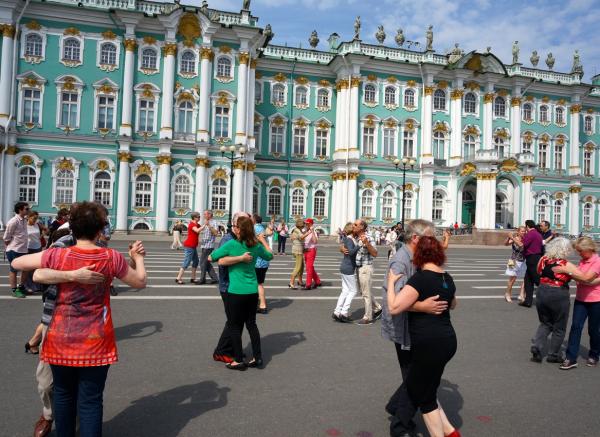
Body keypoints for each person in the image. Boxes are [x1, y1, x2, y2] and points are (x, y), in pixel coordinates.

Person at [11, 201, 147, 437]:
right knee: (91, 400)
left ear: (72, 227)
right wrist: (138, 257)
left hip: (60, 337)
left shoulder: (58, 254)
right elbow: (140, 281)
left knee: (63, 395)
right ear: (100, 229)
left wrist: (68, 275)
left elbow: (16, 263)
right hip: (96, 339)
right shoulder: (110, 257)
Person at [386, 235, 460, 437]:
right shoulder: (447, 277)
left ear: (419, 254)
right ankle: (451, 432)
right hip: (448, 340)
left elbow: (394, 307)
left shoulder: (419, 279)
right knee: (428, 387)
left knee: (425, 398)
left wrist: (391, 283)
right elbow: (453, 304)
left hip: (429, 344)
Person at [209, 216, 273, 370]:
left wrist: (235, 258)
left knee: (234, 325)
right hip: (252, 291)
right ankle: (257, 357)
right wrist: (263, 240)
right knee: (251, 324)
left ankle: (238, 359)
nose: (234, 228)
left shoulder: (232, 244)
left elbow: (211, 257)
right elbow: (269, 255)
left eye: (235, 226)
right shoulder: (255, 245)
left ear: (239, 230)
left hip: (236, 292)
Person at [553, 237, 600, 370]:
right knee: (575, 327)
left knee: (594, 330)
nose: (579, 254)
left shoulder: (597, 261)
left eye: (580, 251)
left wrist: (567, 271)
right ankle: (571, 358)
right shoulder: (583, 261)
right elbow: (582, 279)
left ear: (589, 249)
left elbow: (586, 278)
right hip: (581, 299)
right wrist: (581, 278)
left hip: (596, 300)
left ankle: (594, 354)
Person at [213, 212, 251, 364]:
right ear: (236, 225)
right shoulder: (228, 239)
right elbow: (220, 260)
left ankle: (233, 349)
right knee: (233, 321)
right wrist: (241, 259)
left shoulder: (242, 239)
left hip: (239, 286)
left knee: (238, 320)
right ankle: (221, 351)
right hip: (228, 286)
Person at [529, 237, 573, 363]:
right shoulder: (565, 264)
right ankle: (553, 355)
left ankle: (537, 347)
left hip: (542, 290)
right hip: (558, 292)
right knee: (559, 326)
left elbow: (538, 272)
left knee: (545, 322)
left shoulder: (543, 259)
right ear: (565, 250)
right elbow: (581, 276)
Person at [354, 219, 382, 325]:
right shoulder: (356, 238)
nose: (353, 226)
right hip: (358, 268)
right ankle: (378, 308)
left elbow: (375, 253)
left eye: (355, 224)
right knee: (364, 292)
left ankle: (368, 317)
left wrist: (367, 243)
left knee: (366, 293)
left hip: (365, 268)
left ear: (362, 227)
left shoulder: (369, 237)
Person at [333, 222, 360, 323]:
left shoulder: (349, 238)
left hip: (345, 266)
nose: (356, 228)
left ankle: (337, 312)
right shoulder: (349, 239)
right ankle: (344, 312)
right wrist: (359, 245)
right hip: (348, 267)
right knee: (353, 291)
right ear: (351, 229)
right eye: (354, 227)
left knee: (345, 290)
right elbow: (351, 252)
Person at [4, 201, 30, 298]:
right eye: (26, 209)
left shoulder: (24, 220)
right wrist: (10, 245)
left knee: (26, 269)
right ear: (20, 210)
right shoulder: (13, 221)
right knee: (14, 270)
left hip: (23, 249)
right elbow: (6, 237)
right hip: (14, 249)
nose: (28, 210)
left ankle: (21, 287)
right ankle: (15, 290)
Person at [520, 220, 543, 307]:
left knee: (537, 280)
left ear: (527, 226)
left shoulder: (531, 234)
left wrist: (512, 238)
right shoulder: (538, 234)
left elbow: (523, 245)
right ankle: (528, 301)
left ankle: (548, 298)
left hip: (532, 258)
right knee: (528, 280)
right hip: (536, 257)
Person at [175, 212, 202, 284]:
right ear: (194, 217)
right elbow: (197, 230)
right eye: (198, 217)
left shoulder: (197, 224)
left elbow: (201, 228)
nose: (200, 218)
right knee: (187, 262)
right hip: (189, 245)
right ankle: (178, 278)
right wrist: (205, 224)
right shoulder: (191, 224)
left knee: (196, 261)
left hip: (193, 246)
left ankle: (193, 278)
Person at [24, 210, 47, 294]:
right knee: (28, 268)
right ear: (28, 217)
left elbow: (46, 229)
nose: (35, 220)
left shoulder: (37, 224)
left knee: (36, 268)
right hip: (28, 248)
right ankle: (27, 286)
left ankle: (37, 286)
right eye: (34, 218)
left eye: (36, 218)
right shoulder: (24, 225)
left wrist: (41, 236)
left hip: (37, 247)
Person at [252, 214, 271, 313]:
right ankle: (261, 304)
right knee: (259, 283)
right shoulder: (262, 228)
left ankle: (261, 305)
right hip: (264, 261)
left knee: (256, 284)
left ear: (254, 220)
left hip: (257, 261)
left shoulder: (254, 228)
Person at [503, 226, 527, 303]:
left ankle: (521, 294)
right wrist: (508, 237)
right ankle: (508, 294)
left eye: (524, 231)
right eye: (522, 231)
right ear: (518, 232)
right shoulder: (515, 238)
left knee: (526, 279)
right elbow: (505, 244)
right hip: (512, 261)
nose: (524, 232)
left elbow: (521, 245)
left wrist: (512, 237)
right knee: (512, 279)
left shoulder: (525, 239)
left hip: (523, 261)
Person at [197, 210, 219, 284]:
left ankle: (202, 279)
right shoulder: (206, 222)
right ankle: (215, 278)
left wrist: (209, 225)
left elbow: (215, 233)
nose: (204, 216)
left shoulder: (214, 222)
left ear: (210, 215)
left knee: (202, 263)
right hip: (204, 245)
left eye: (205, 214)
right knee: (207, 263)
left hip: (209, 246)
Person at [301, 218, 321, 290]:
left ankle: (308, 284)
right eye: (305, 223)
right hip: (306, 250)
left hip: (311, 250)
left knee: (309, 268)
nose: (306, 225)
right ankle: (317, 281)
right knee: (310, 267)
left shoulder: (313, 232)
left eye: (307, 224)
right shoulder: (305, 231)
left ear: (311, 224)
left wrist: (312, 231)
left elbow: (315, 241)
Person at [288, 218, 305, 289]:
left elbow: (299, 239)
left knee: (302, 266)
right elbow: (302, 237)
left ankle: (300, 281)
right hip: (298, 251)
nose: (304, 225)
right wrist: (309, 232)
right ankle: (291, 282)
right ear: (301, 225)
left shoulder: (298, 230)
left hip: (299, 250)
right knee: (298, 267)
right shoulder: (297, 230)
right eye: (303, 224)